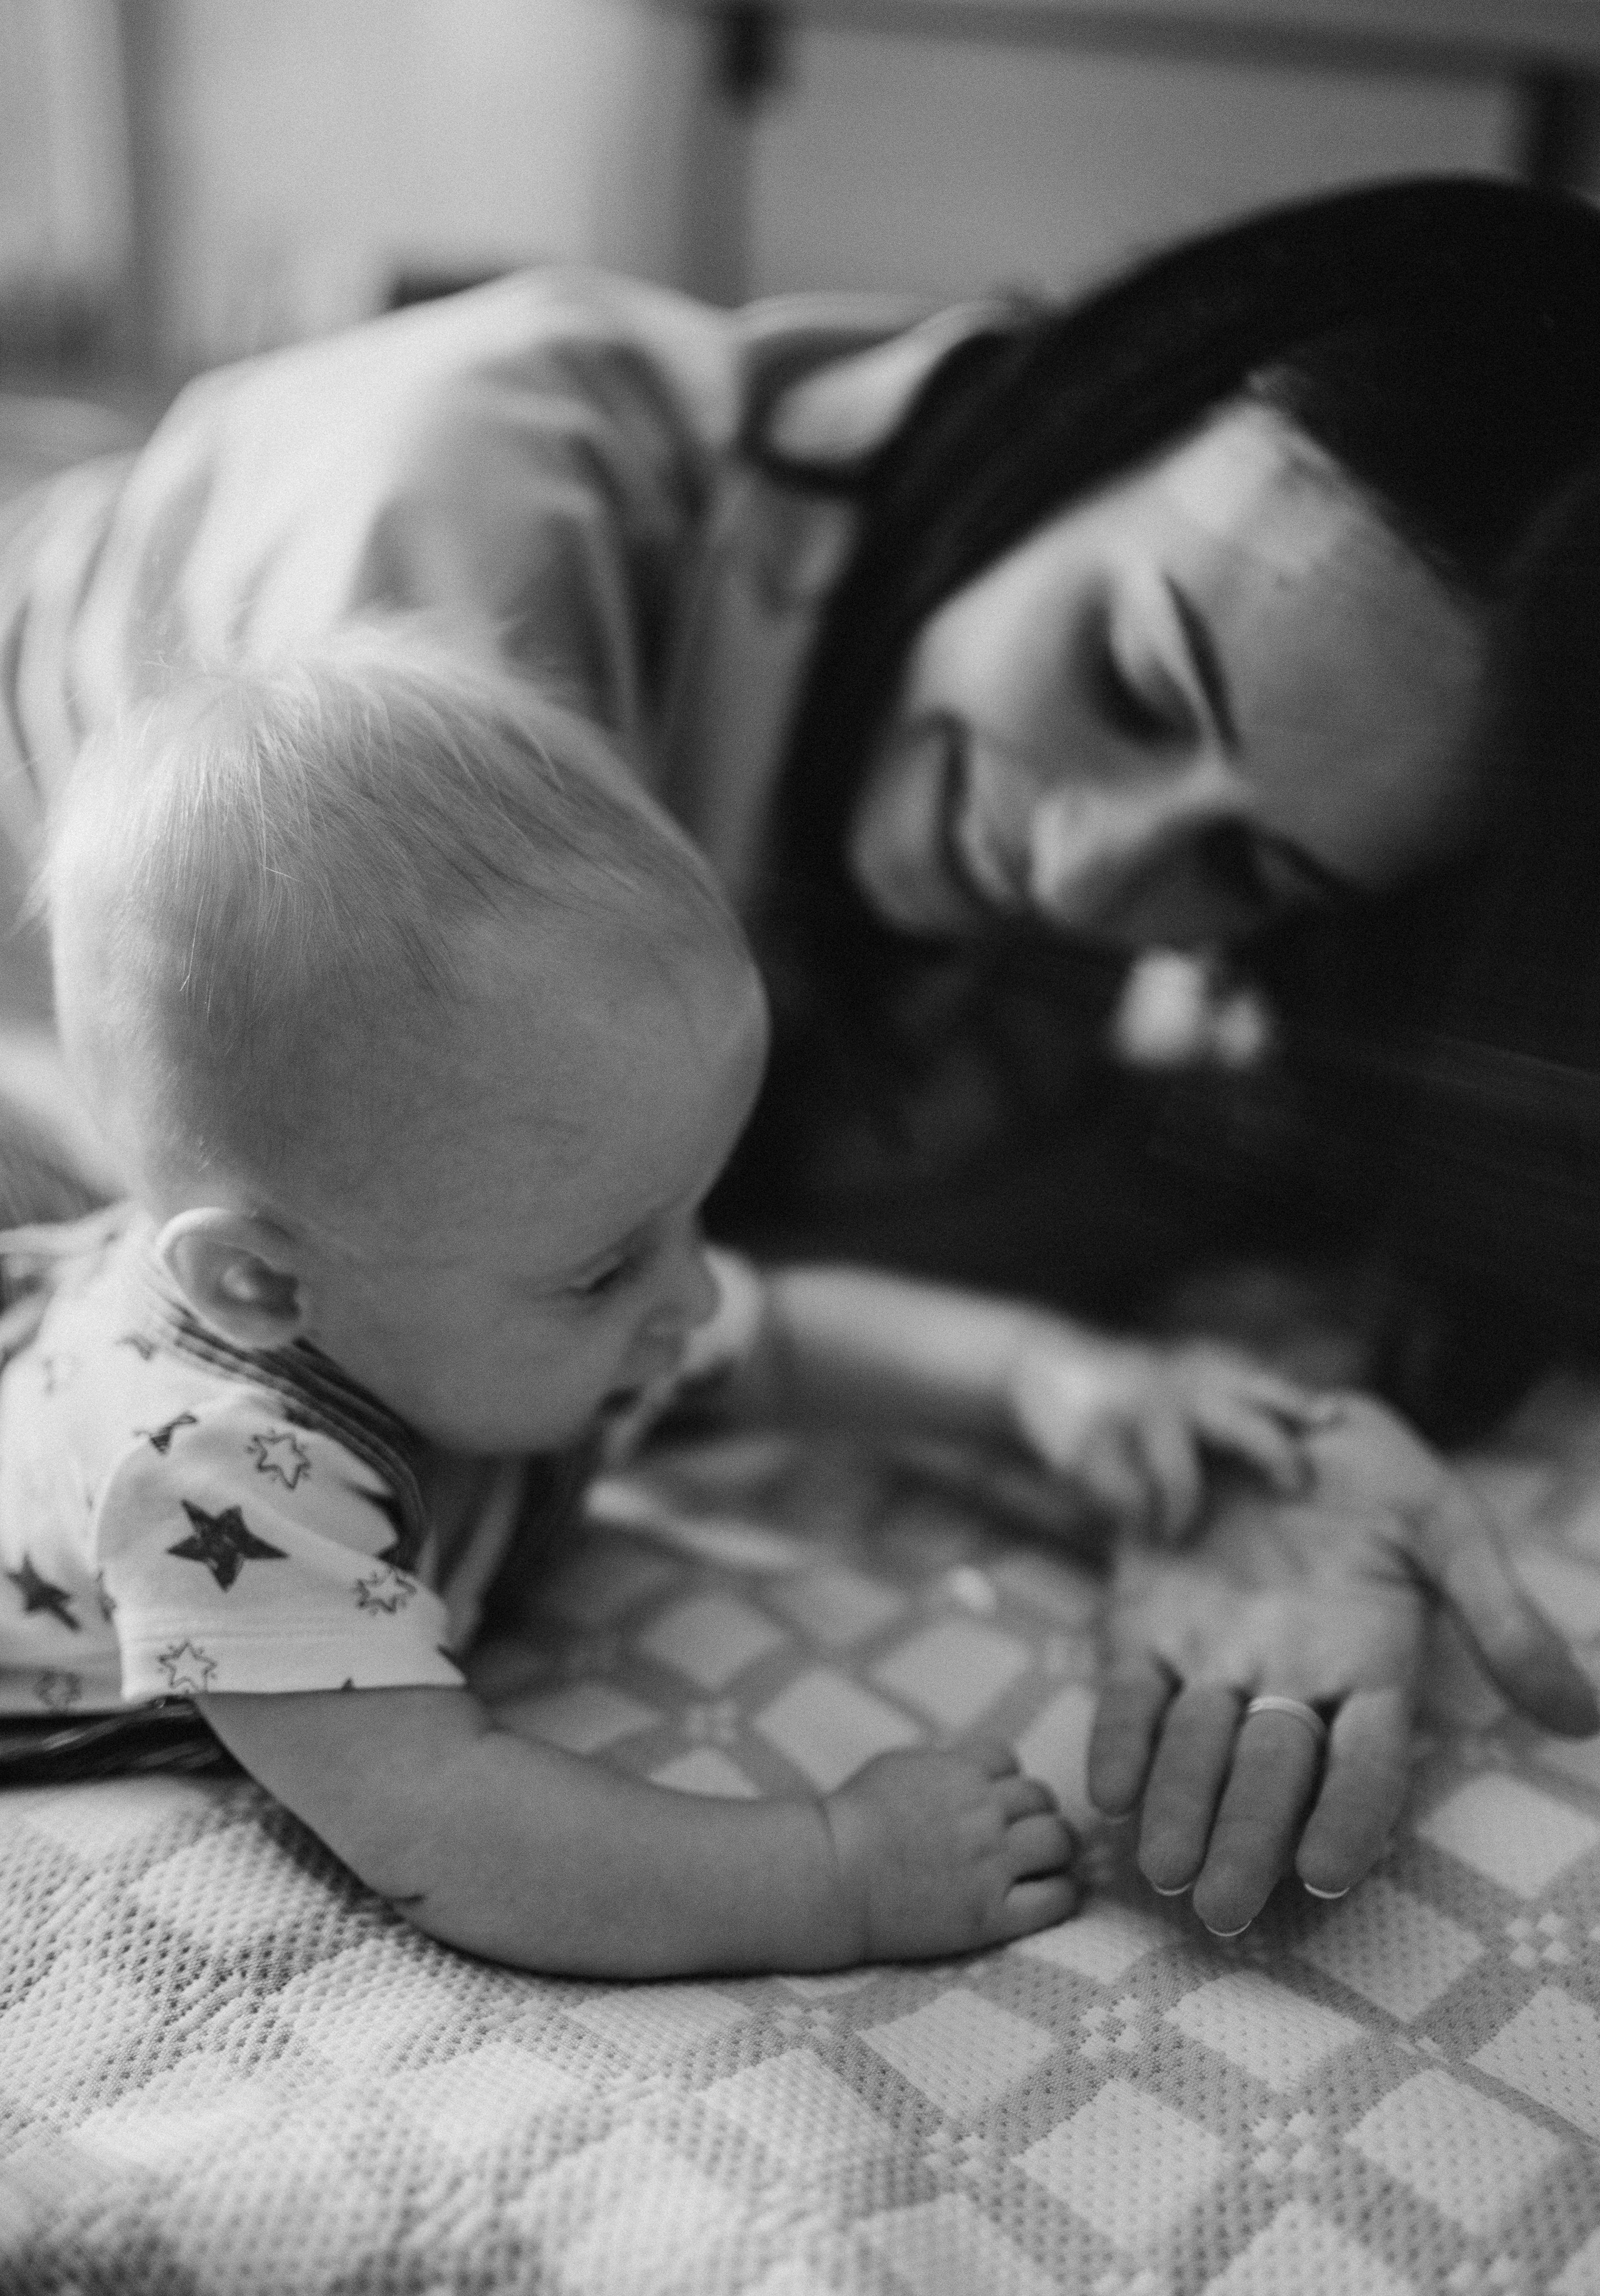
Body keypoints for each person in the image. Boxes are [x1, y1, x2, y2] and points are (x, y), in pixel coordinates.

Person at [2, 174, 1598, 1937]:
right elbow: (450, 1819)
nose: (1085, 878)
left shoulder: (652, 1191)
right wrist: (829, 1873)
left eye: (1252, 873)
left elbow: (707, 1299)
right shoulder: (435, 592)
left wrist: (1114, 1400)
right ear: (1087, 407)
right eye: (1133, 681)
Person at [7, 625, 1365, 1974]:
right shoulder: (215, 1486)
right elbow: (452, 1826)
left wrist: (1038, 1379)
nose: (695, 1291)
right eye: (607, 1267)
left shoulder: (468, 1282)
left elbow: (776, 1342)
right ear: (261, 1285)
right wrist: (836, 1871)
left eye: (694, 1211)